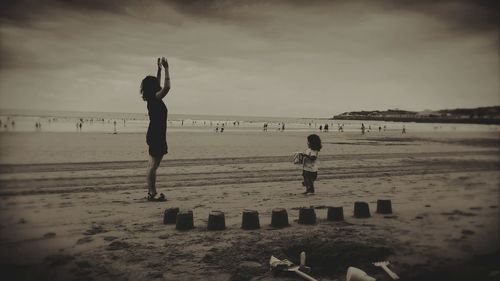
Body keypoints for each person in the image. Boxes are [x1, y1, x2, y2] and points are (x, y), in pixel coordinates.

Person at [141, 57, 171, 202]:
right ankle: (152, 193)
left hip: (155, 133)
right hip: (156, 135)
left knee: (153, 164)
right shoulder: (155, 98)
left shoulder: (152, 98)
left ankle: (151, 192)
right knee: (153, 165)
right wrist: (166, 69)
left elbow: (158, 85)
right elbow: (166, 87)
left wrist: (158, 69)